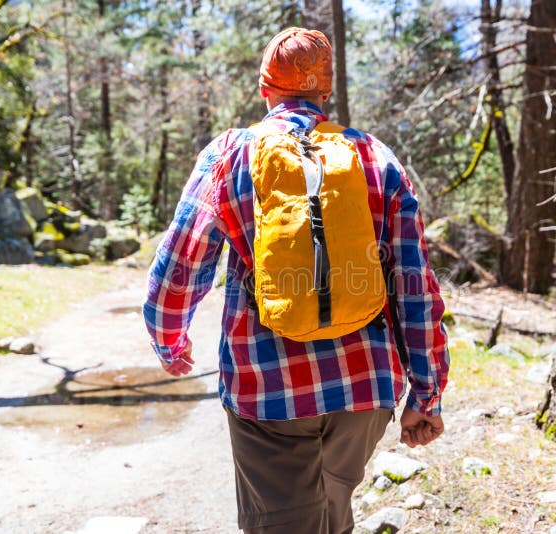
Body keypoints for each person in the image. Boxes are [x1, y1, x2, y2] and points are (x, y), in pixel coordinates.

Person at [143, 27, 450, 534]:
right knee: (330, 508)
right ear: (325, 92)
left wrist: (169, 340)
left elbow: (180, 266)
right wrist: (427, 393)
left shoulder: (229, 155)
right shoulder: (374, 157)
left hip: (268, 393)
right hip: (366, 389)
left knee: (287, 524)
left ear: (267, 90)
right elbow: (415, 287)